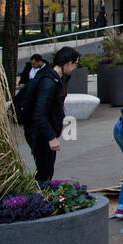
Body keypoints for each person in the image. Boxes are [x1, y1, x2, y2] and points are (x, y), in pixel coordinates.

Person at [24, 46, 80, 182]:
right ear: (67, 63)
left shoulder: (56, 78)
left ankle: (40, 198)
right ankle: (36, 199)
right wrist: (51, 137)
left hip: (43, 131)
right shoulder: (49, 82)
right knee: (45, 171)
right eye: (75, 63)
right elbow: (39, 113)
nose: (76, 67)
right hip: (40, 133)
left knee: (46, 170)